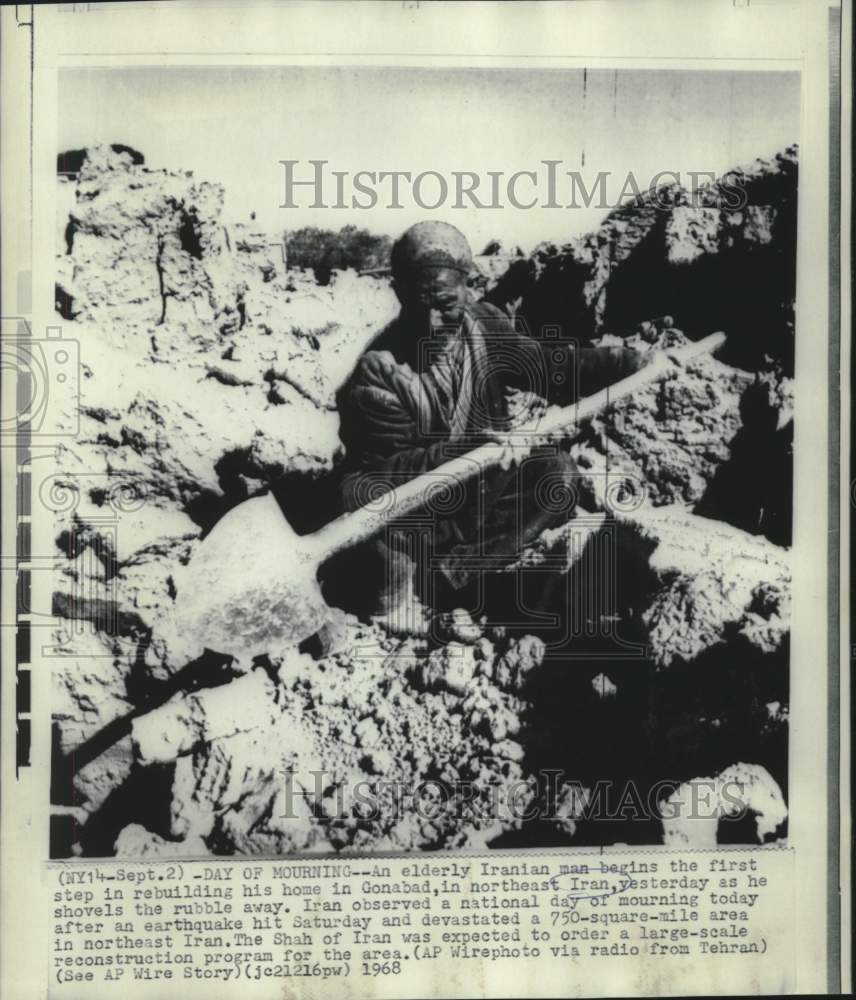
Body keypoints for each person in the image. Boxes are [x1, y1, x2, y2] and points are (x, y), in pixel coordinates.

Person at [328, 221, 649, 632]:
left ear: (469, 288)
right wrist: (470, 450)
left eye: (445, 304)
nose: (432, 323)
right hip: (416, 515)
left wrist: (624, 363)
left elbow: (548, 370)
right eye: (418, 304)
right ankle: (406, 594)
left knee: (558, 477)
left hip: (481, 489)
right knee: (374, 529)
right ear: (398, 293)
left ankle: (448, 579)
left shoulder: (484, 326)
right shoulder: (378, 374)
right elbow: (385, 477)